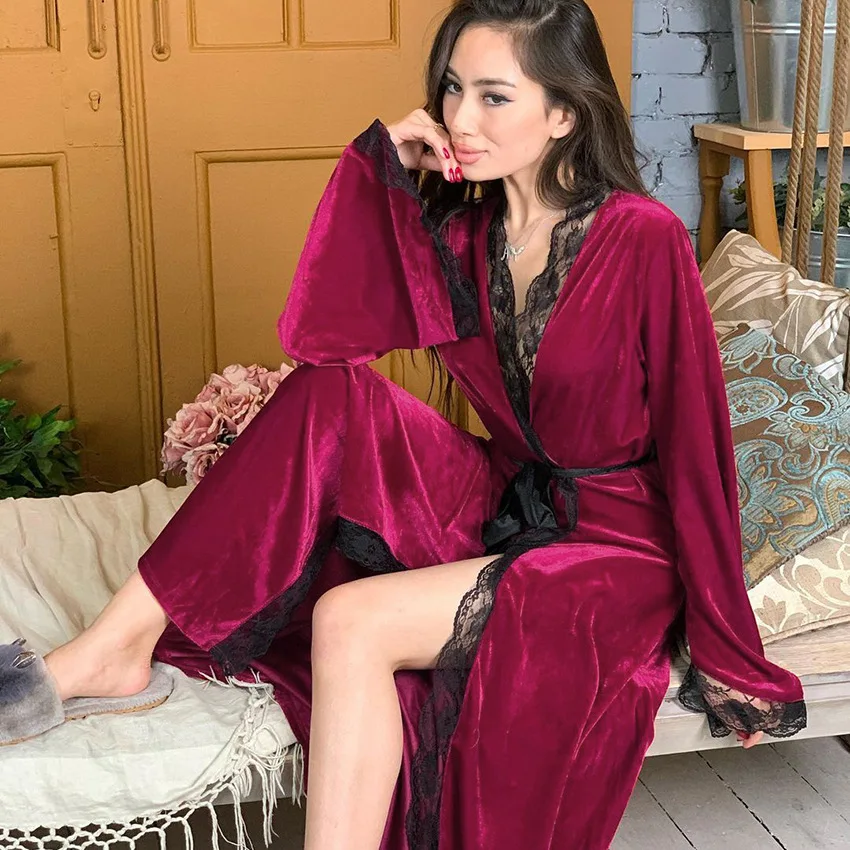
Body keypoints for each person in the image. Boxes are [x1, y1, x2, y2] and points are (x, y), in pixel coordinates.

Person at [3, 0, 807, 847]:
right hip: (507, 500)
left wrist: (729, 651)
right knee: (327, 393)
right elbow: (323, 343)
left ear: (564, 114)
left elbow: (697, 449)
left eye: (494, 96)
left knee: (350, 617)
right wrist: (379, 164)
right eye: (453, 89)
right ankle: (113, 647)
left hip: (613, 548)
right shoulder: (462, 234)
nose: (461, 118)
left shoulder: (642, 239)